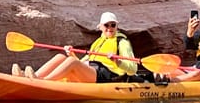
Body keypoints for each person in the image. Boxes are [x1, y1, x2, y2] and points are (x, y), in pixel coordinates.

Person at [11, 12, 139, 83]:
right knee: (60, 56)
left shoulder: (122, 42)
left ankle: (43, 81)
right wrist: (70, 54)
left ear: (117, 26)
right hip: (94, 71)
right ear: (100, 26)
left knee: (71, 62)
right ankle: (32, 77)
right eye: (107, 25)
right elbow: (81, 62)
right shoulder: (98, 42)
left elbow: (133, 69)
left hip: (109, 77)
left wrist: (118, 61)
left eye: (113, 25)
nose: (110, 28)